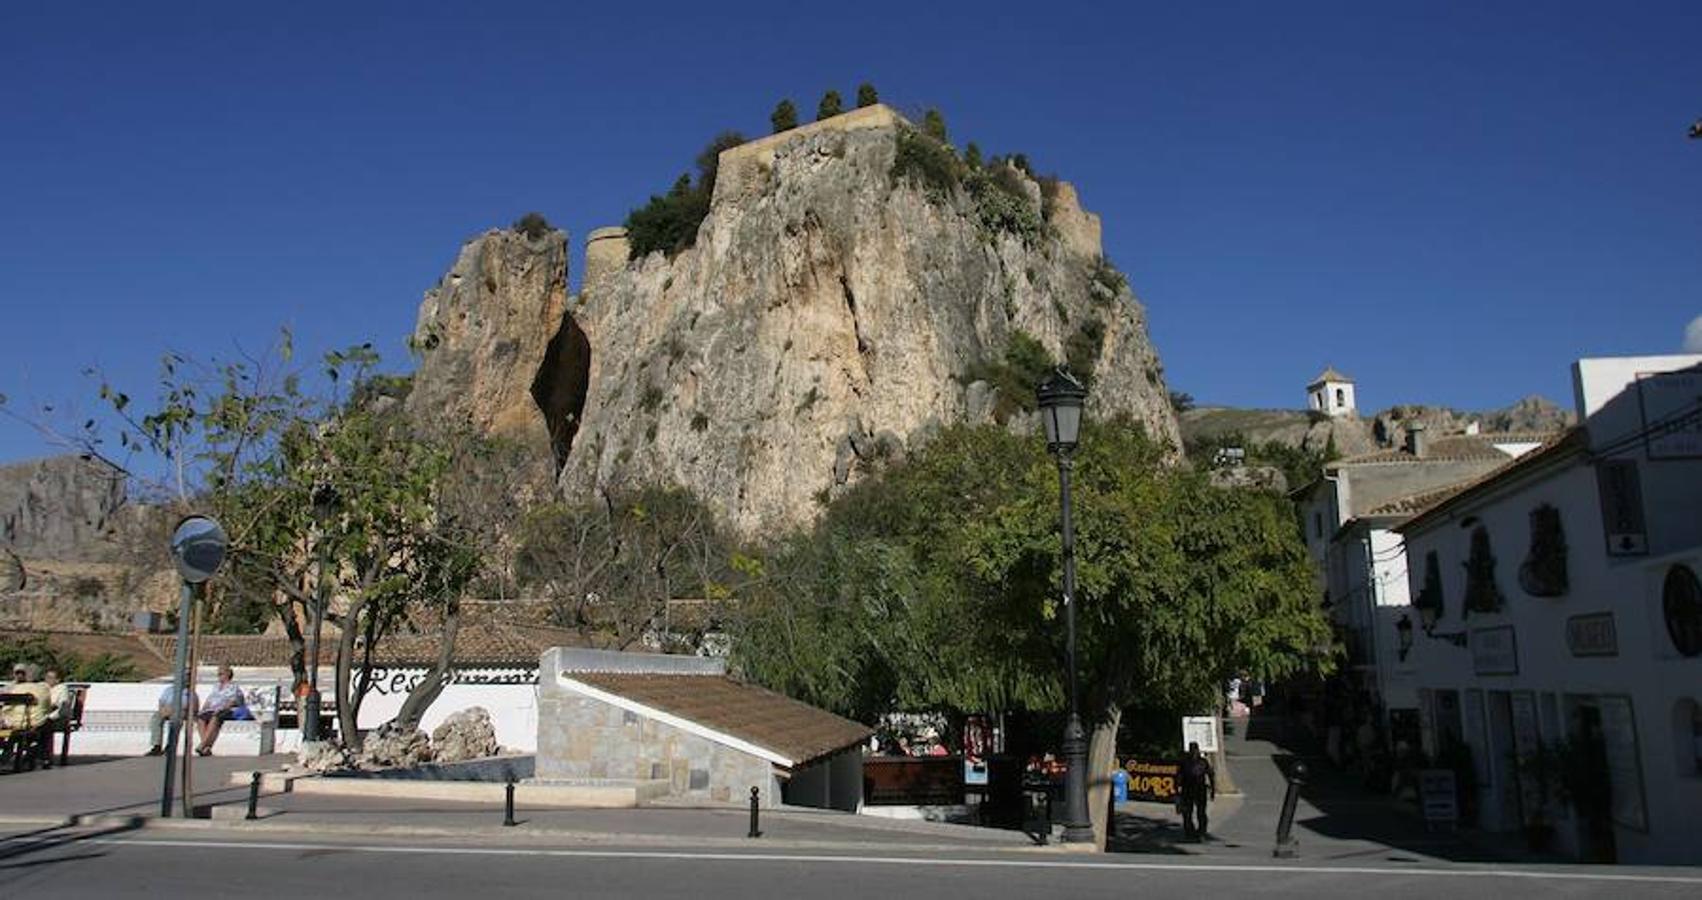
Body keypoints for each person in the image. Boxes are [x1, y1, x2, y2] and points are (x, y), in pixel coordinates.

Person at [194, 665, 247, 756]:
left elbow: (233, 701)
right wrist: (203, 709)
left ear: (228, 674)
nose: (219, 676)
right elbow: (209, 700)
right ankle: (206, 747)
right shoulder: (216, 687)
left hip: (227, 710)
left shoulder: (233, 687)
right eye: (218, 674)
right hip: (212, 709)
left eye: (221, 674)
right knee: (201, 718)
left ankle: (203, 744)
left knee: (215, 717)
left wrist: (223, 708)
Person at [1177, 741, 1216, 841]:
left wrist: (1212, 790)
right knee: (1187, 812)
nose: (1194, 752)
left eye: (1195, 750)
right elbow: (1179, 776)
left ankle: (1201, 831)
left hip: (1200, 790)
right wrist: (1177, 790)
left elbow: (1211, 775)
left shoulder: (1203, 762)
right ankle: (1189, 831)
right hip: (1188, 790)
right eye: (1192, 750)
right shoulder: (1185, 762)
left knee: (1201, 812)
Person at [146, 682, 198, 756]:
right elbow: (161, 702)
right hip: (166, 709)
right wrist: (162, 710)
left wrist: (176, 710)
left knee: (176, 720)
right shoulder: (169, 689)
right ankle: (156, 746)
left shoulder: (189, 692)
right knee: (156, 718)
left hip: (181, 710)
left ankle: (170, 746)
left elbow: (194, 707)